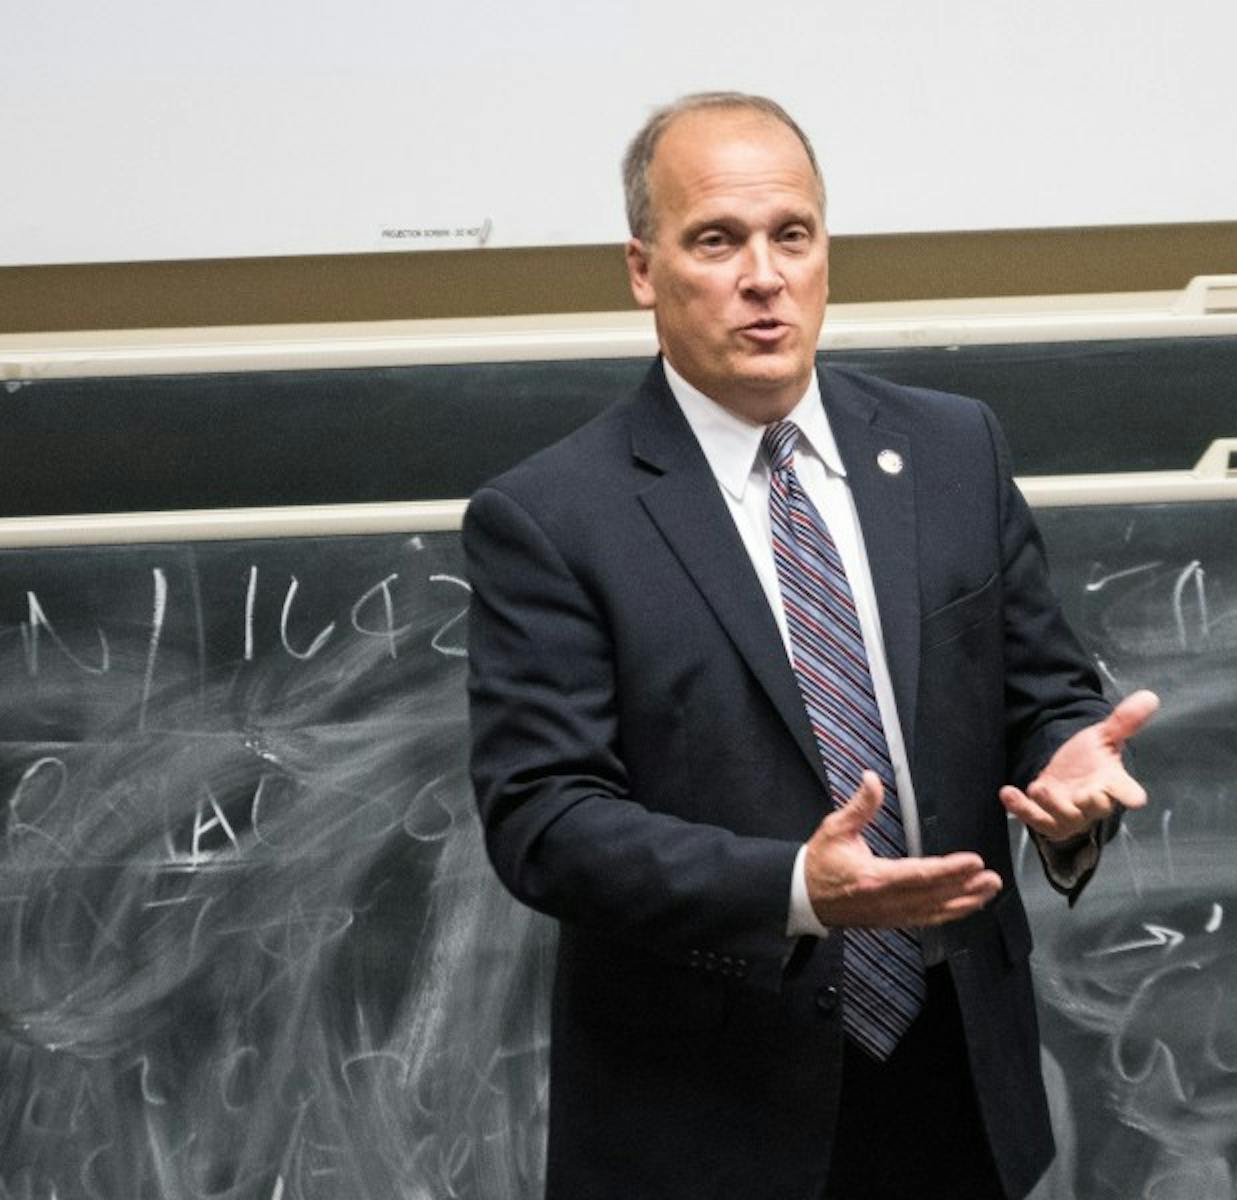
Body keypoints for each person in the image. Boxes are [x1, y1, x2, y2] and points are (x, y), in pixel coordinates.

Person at [462, 91, 1157, 1200]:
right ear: (642, 269)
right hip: (707, 1117)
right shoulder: (553, 517)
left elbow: (1040, 695)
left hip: (953, 1083)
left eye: (791, 234)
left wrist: (1071, 777)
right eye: (716, 240)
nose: (763, 276)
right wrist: (797, 887)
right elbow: (544, 821)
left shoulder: (948, 449)